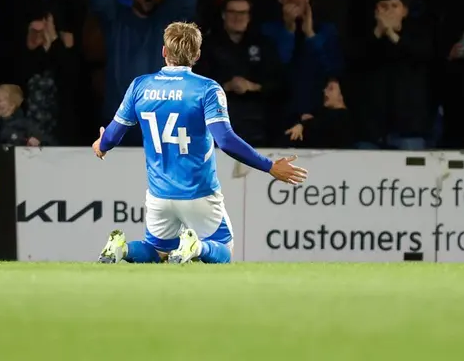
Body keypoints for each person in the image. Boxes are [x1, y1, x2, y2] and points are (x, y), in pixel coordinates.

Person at [92, 21, 307, 265]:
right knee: (224, 249)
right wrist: (269, 166)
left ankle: (121, 247)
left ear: (164, 51)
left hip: (159, 194)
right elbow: (225, 140)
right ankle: (197, 246)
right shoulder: (206, 89)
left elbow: (112, 135)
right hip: (198, 192)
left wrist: (102, 144)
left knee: (157, 251)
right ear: (197, 54)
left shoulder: (140, 86)